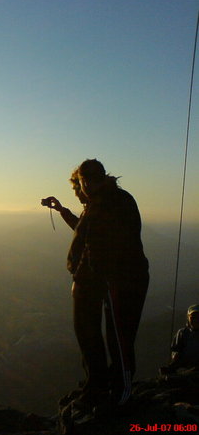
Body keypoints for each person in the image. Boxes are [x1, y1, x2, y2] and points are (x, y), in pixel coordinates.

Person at [43, 159, 149, 410]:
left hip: (121, 281)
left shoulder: (111, 203)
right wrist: (62, 211)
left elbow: (102, 247)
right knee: (100, 335)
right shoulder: (104, 202)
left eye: (80, 186)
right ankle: (100, 386)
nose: (81, 191)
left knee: (119, 339)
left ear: (87, 181)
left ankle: (120, 395)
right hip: (111, 280)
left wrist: (84, 279)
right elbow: (87, 231)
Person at [159, 304, 199, 375]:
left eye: (198, 317)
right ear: (188, 318)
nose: (195, 320)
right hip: (185, 368)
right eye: (193, 317)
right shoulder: (182, 333)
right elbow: (176, 352)